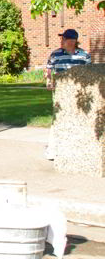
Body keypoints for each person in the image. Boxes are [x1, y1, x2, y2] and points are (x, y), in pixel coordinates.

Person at [44, 28, 92, 160]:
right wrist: (49, 82)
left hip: (78, 93)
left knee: (79, 118)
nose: (61, 40)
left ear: (72, 41)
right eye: (62, 38)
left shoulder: (84, 55)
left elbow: (89, 74)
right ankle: (53, 150)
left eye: (64, 39)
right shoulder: (55, 54)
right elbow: (48, 70)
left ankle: (77, 148)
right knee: (58, 118)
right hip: (61, 92)